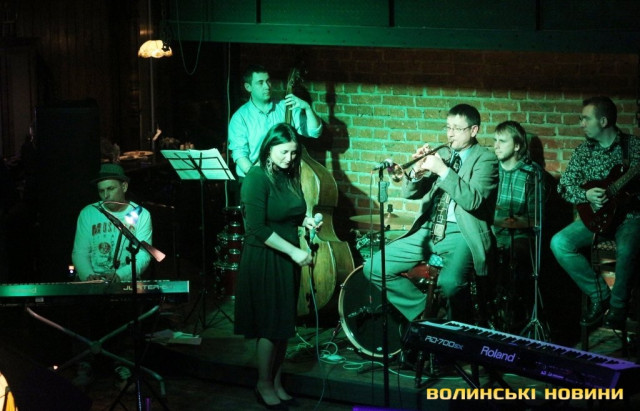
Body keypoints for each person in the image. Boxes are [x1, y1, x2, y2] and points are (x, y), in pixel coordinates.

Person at [363, 104, 499, 324]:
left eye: (457, 128)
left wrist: (442, 170)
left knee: (450, 283)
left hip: (461, 233)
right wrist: (416, 171)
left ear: (474, 130)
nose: (450, 134)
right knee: (374, 267)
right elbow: (409, 193)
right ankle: (427, 312)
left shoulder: (486, 159)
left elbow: (473, 200)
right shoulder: (443, 153)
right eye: (448, 127)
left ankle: (458, 330)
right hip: (428, 229)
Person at [234, 123, 320, 409]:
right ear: (269, 149)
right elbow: (257, 228)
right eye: (284, 152)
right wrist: (295, 252)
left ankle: (277, 381)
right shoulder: (256, 177)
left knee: (284, 325)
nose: (289, 158)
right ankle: (263, 383)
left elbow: (288, 213)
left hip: (286, 256)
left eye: (294, 153)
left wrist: (305, 220)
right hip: (265, 258)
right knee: (270, 326)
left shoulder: (288, 175)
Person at [551, 96, 640, 329]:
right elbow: (564, 187)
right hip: (595, 217)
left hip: (628, 218)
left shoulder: (633, 147)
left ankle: (618, 308)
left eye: (585, 118)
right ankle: (600, 295)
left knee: (628, 248)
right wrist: (586, 195)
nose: (581, 123)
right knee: (559, 243)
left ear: (603, 121)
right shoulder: (584, 151)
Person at [227, 64, 323, 182]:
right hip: (254, 177)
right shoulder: (240, 117)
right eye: (260, 83)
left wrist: (307, 108)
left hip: (285, 176)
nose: (267, 86)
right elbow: (240, 154)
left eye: (268, 81)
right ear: (248, 87)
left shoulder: (285, 107)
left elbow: (314, 132)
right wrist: (258, 177)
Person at [492, 121, 543, 332]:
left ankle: (514, 320)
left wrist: (509, 220)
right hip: (492, 232)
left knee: (516, 255)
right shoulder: (490, 169)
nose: (496, 145)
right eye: (495, 140)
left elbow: (535, 218)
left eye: (502, 141)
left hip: (520, 235)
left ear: (516, 146)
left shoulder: (531, 173)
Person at [72, 163, 153, 282]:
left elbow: (144, 254)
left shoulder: (141, 214)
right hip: (94, 280)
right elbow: (80, 252)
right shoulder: (88, 213)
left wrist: (120, 275)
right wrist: (88, 275)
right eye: (101, 191)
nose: (106, 195)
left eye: (110, 189)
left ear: (124, 187)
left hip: (125, 280)